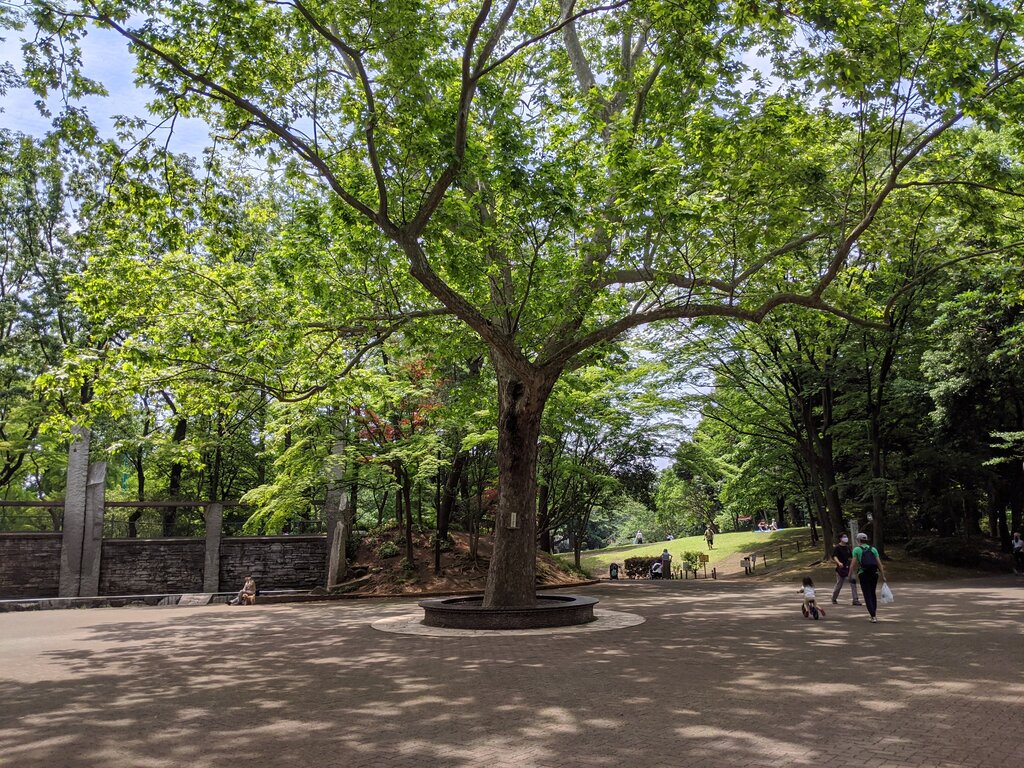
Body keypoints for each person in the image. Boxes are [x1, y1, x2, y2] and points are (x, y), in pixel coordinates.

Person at [850, 533, 886, 622]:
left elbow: (853, 564)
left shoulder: (857, 550)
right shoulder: (873, 549)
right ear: (866, 540)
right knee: (872, 593)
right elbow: (879, 563)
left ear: (858, 540)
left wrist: (850, 574)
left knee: (867, 594)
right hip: (874, 573)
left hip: (863, 573)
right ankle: (874, 614)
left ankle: (872, 615)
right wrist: (883, 575)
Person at [830, 534, 862, 606]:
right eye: (844, 537)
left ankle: (855, 600)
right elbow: (834, 556)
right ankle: (833, 598)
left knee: (853, 581)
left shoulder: (848, 547)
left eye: (846, 537)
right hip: (840, 569)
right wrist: (838, 562)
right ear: (840, 538)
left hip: (848, 568)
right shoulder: (837, 547)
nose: (846, 538)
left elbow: (851, 557)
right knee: (839, 585)